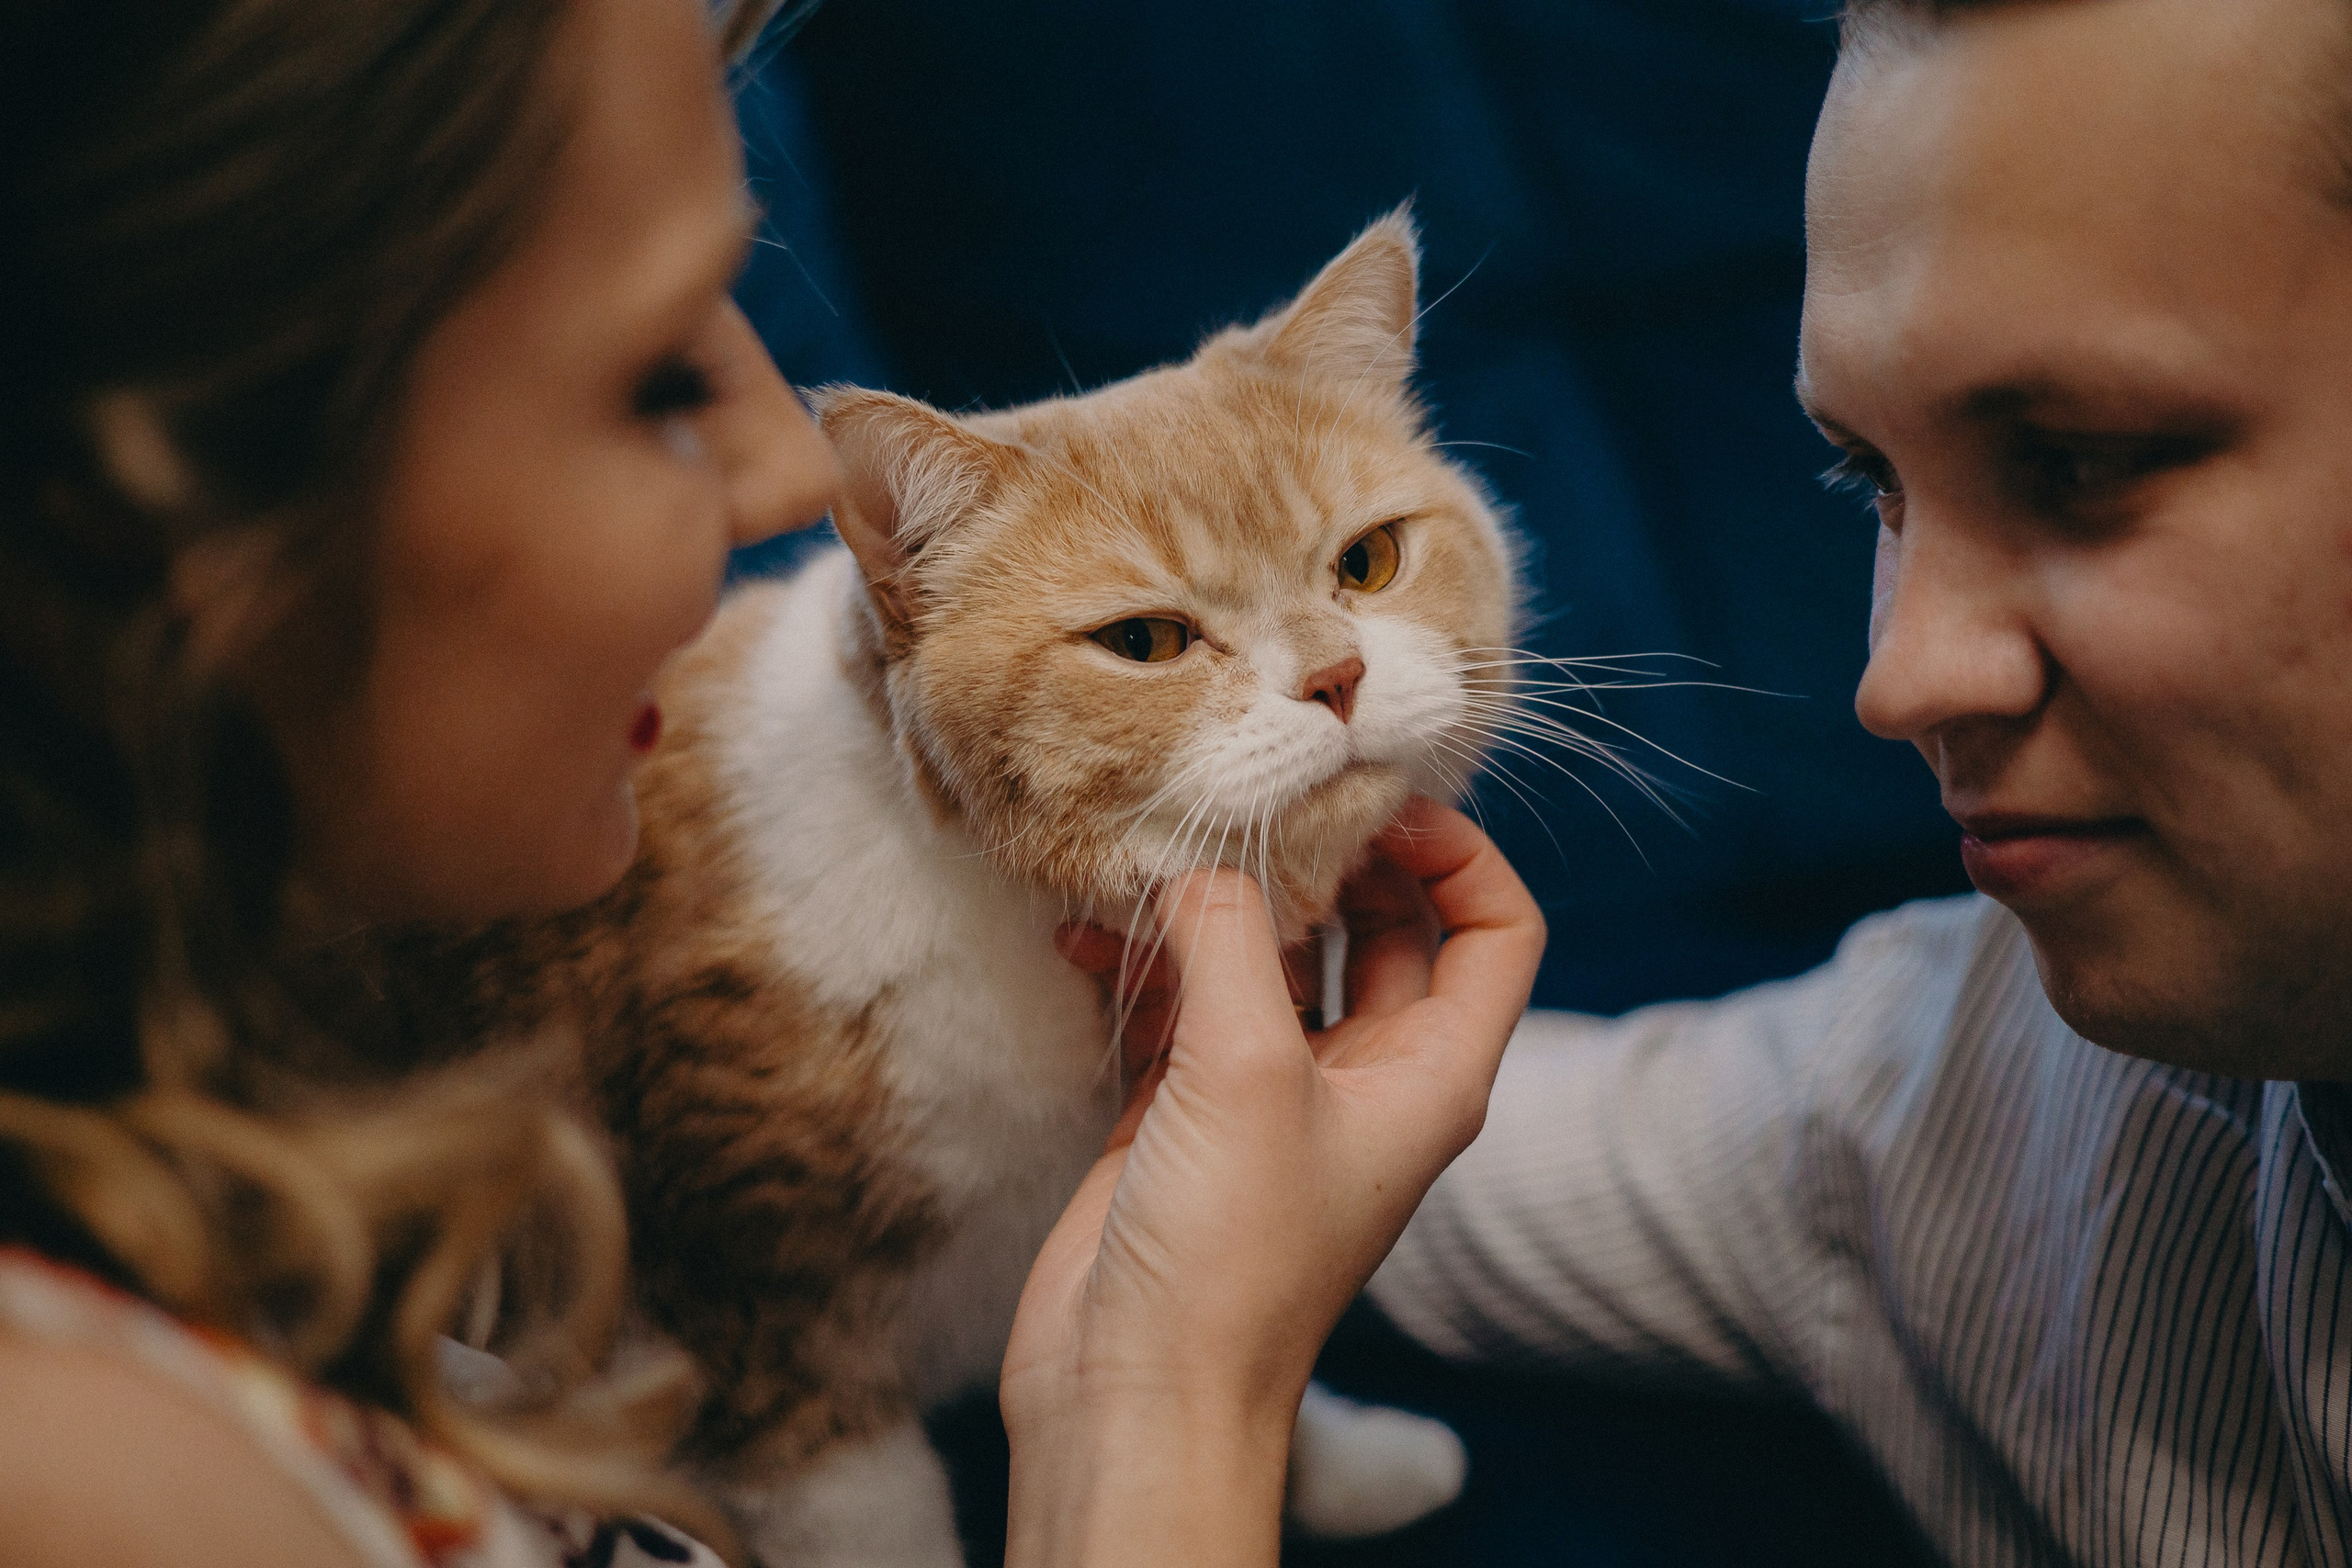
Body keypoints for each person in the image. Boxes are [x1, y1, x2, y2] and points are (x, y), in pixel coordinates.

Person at [0, 2, 1545, 1565]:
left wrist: (1167, 1391)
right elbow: (772, 1352)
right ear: (193, 496)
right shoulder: (131, 1484)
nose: (788, 478)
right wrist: (1184, 1418)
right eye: (660, 372)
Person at [1363, 0, 2352, 1561]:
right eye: (1871, 481)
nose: (1898, 681)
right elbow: (1374, 1149)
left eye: (2080, 461)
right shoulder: (1966, 1097)